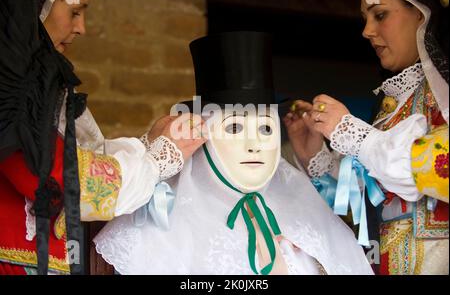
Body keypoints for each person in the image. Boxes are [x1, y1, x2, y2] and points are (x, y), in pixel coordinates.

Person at [93, 31, 374, 275]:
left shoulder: (307, 212)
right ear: (205, 134)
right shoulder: (160, 223)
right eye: (235, 127)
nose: (254, 145)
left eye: (265, 129)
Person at [0, 0, 205, 275]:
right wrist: (156, 161)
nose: (81, 27)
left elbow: (78, 154)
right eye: (74, 11)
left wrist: (148, 145)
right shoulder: (11, 92)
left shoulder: (35, 87)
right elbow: (66, 181)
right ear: (36, 6)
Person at [284, 0, 448, 275]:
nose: (367, 31)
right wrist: (317, 158)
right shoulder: (391, 105)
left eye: (380, 15)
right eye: (365, 18)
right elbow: (362, 209)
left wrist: (355, 136)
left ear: (421, 12)